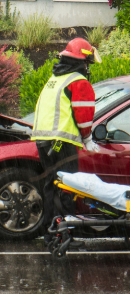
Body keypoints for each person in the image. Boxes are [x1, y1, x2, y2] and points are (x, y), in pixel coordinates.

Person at [31, 37, 100, 221]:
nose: (87, 67)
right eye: (87, 63)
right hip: (63, 143)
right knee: (67, 186)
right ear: (82, 62)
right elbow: (84, 116)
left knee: (51, 186)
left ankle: (51, 231)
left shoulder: (54, 80)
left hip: (44, 142)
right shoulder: (78, 81)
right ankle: (65, 232)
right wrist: (87, 139)